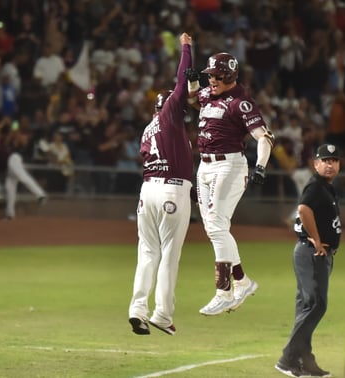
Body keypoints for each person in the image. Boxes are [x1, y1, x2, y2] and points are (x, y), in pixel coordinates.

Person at [184, 52, 275, 316]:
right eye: (209, 75)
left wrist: (260, 166)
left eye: (216, 76)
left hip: (229, 165)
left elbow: (264, 137)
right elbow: (193, 100)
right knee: (215, 227)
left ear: (230, 76)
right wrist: (192, 84)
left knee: (215, 224)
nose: (211, 80)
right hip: (205, 165)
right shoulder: (210, 94)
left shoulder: (241, 103)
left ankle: (223, 291)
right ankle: (243, 282)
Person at [128, 32, 195, 336]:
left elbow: (144, 154)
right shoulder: (170, 115)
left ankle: (137, 309)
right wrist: (186, 48)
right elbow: (182, 83)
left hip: (147, 191)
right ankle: (162, 315)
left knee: (147, 253)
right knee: (169, 255)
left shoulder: (148, 127)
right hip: (171, 190)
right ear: (167, 105)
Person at [275, 144, 342, 378]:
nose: (330, 164)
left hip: (314, 254)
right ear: (316, 164)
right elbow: (303, 210)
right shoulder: (315, 185)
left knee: (307, 306)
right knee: (316, 304)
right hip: (311, 253)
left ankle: (305, 359)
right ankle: (288, 358)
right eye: (325, 160)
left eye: (334, 160)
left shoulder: (325, 187)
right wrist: (316, 239)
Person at [0, 117, 47, 220]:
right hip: (8, 167)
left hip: (12, 159)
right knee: (10, 188)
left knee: (23, 177)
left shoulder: (1, 139)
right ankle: (10, 214)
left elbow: (9, 129)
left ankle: (41, 195)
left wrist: (4, 123)